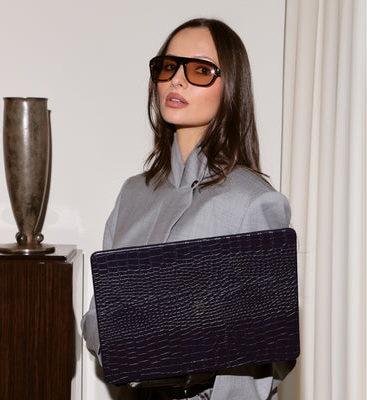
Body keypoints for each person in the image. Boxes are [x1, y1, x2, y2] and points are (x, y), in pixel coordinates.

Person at [82, 17, 295, 400]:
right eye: (168, 67)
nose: (177, 80)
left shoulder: (252, 201)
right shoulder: (132, 194)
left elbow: (266, 355)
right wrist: (119, 347)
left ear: (231, 88)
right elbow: (99, 314)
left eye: (200, 70)